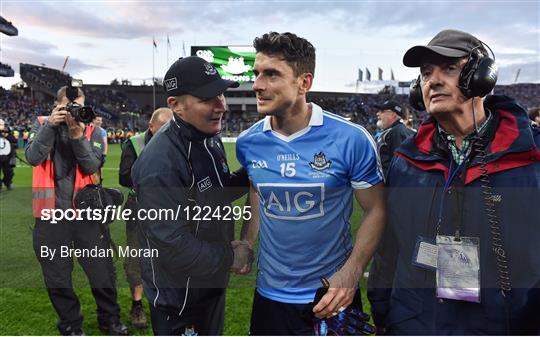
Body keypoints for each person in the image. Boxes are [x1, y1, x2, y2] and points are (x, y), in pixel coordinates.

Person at [367, 29, 540, 335]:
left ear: (481, 76)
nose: (433, 80)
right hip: (415, 324)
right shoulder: (406, 162)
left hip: (505, 326)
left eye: (449, 68)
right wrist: (382, 311)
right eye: (425, 73)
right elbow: (389, 246)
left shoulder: (532, 157)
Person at [235, 32, 386, 335]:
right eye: (256, 74)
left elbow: (376, 210)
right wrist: (247, 242)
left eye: (271, 74)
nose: (257, 85)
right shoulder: (248, 142)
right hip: (270, 297)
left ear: (304, 82)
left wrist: (352, 270)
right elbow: (257, 192)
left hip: (331, 295)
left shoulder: (350, 139)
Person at [131, 56, 251, 336]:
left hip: (208, 286)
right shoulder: (159, 164)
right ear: (176, 105)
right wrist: (231, 256)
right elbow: (172, 245)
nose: (222, 105)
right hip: (180, 301)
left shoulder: (208, 136)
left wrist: (254, 171)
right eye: (208, 98)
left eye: (221, 93)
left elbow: (214, 193)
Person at [25, 86, 128, 335]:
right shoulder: (41, 124)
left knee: (102, 271)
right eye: (69, 107)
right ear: (56, 106)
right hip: (50, 216)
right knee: (57, 277)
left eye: (78, 106)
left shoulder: (96, 130)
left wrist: (77, 135)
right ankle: (71, 324)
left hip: (87, 216)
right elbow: (32, 157)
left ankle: (109, 320)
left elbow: (92, 164)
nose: (74, 112)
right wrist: (51, 126)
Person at [118, 107, 173, 329]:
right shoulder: (134, 144)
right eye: (163, 129)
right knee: (136, 260)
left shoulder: (175, 142)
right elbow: (124, 177)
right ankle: (137, 305)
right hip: (139, 207)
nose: (167, 133)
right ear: (151, 127)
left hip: (169, 208)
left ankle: (165, 302)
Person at [374, 100, 415, 179]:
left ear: (393, 114)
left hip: (394, 188)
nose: (378, 114)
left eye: (382, 111)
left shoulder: (397, 132)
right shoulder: (395, 130)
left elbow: (401, 167)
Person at [0, 118, 17, 190]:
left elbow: (14, 140)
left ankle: (7, 183)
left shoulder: (7, 132)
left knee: (9, 172)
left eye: (2, 124)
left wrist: (6, 135)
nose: (1, 126)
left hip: (7, 156)